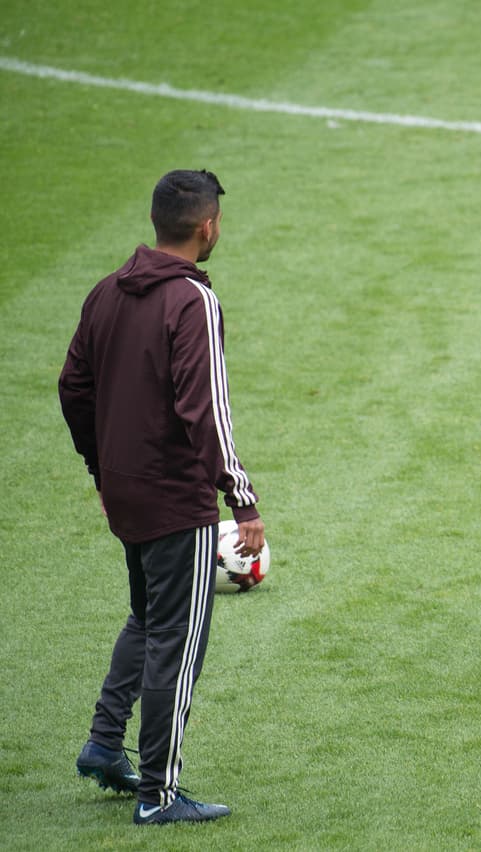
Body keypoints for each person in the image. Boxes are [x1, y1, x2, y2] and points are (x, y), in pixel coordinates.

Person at [59, 169, 265, 825]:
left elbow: (73, 388)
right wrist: (244, 501)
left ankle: (102, 742)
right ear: (207, 227)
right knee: (177, 642)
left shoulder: (104, 294)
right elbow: (206, 412)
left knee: (147, 618)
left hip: (125, 492)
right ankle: (158, 793)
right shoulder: (192, 302)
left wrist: (102, 469)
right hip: (177, 500)